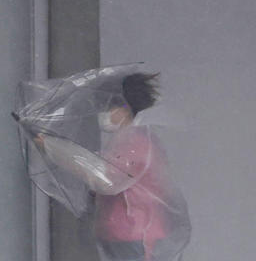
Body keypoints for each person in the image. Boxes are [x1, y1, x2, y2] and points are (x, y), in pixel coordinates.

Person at [34, 73, 190, 261]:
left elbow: (104, 177)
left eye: (107, 106)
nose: (102, 113)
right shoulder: (128, 140)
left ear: (124, 109)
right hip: (126, 233)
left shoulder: (135, 142)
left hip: (134, 235)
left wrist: (52, 147)